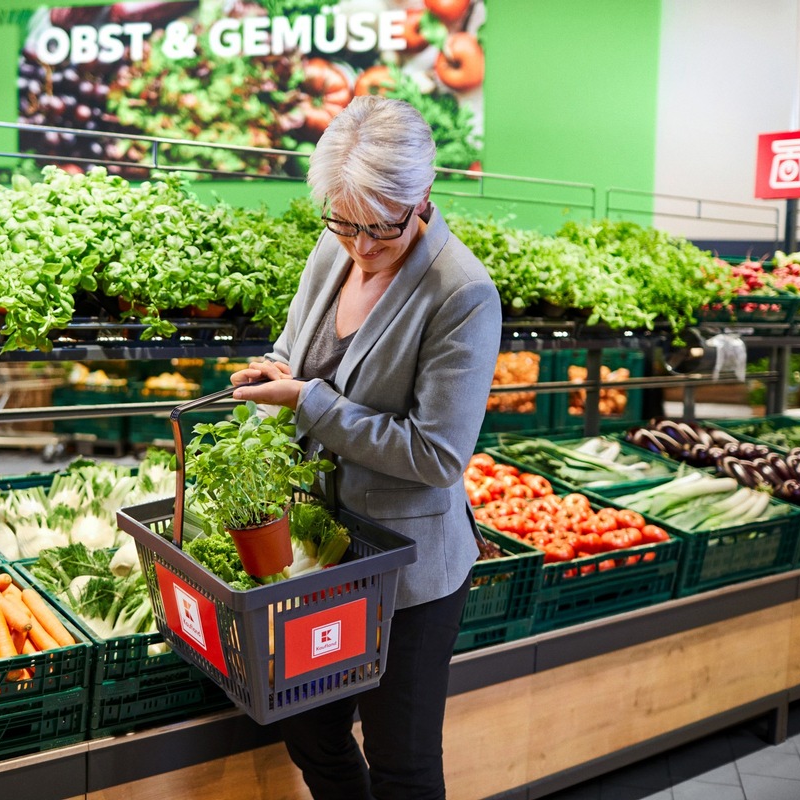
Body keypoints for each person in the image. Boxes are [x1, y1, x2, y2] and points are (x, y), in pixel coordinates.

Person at [229, 95, 502, 800]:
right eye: (344, 223)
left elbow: (439, 456)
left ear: (424, 196)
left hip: (408, 573)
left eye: (380, 228)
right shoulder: (334, 249)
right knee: (310, 734)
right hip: (322, 553)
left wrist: (310, 402)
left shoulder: (462, 294)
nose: (361, 247)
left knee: (402, 762)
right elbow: (295, 348)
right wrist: (275, 373)